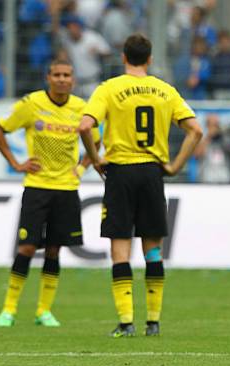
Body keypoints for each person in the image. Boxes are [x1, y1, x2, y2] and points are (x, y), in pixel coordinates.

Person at [78, 34, 203, 338]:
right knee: (153, 250)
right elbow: (195, 130)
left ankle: (125, 322)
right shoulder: (164, 90)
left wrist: (95, 158)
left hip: (120, 172)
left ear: (123, 57)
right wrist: (174, 166)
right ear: (149, 59)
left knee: (120, 249)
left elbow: (84, 126)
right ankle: (154, 321)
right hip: (151, 173)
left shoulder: (109, 88)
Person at [0, 59, 100, 327]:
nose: (62, 79)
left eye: (67, 75)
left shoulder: (81, 108)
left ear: (73, 80)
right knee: (27, 247)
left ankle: (43, 311)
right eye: (57, 75)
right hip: (37, 187)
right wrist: (16, 163)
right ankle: (9, 309)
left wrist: (82, 167)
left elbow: (96, 140)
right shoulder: (32, 104)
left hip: (66, 189)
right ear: (48, 77)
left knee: (54, 250)